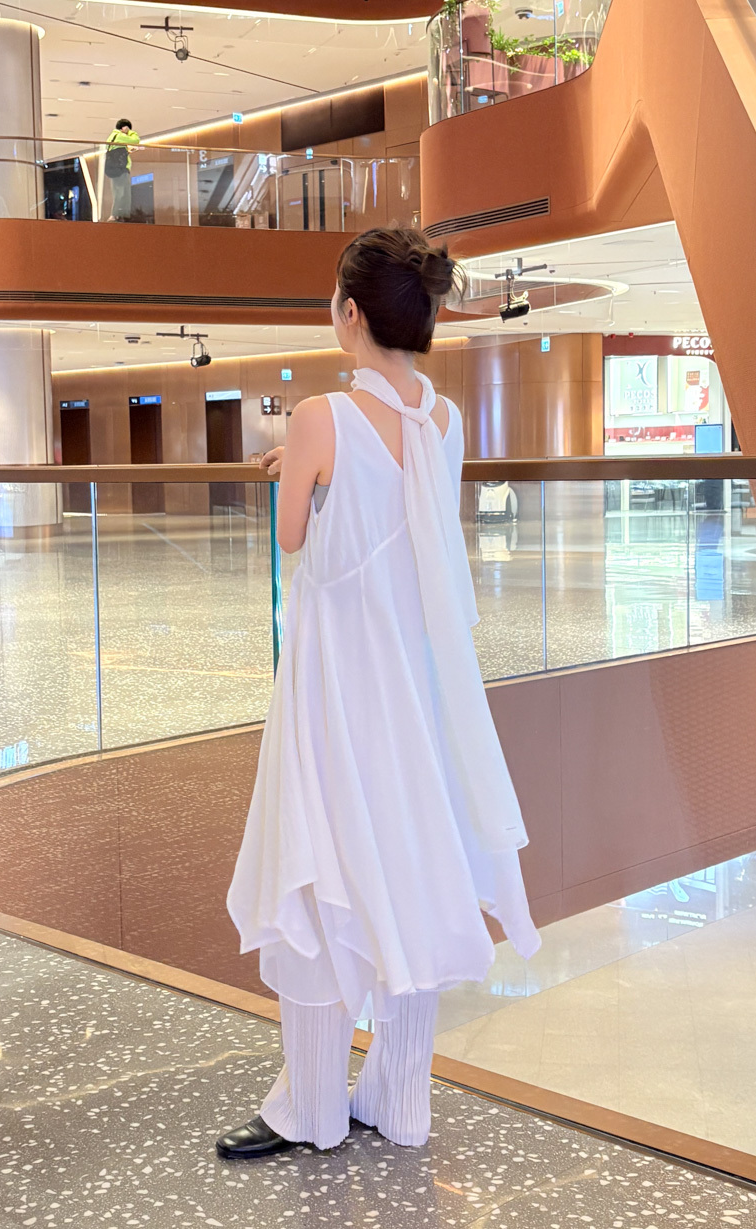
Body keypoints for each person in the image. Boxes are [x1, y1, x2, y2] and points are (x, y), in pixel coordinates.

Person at [221, 227, 540, 1160]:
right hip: (418, 680)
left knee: (319, 865)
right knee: (412, 864)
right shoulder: (445, 420)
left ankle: (314, 1107)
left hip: (337, 681)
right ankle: (399, 1101)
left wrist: (294, 468)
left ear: (351, 312)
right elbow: (413, 526)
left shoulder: (319, 415)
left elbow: (293, 536)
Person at [104, 118, 139, 222]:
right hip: (121, 169)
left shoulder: (111, 137)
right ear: (124, 128)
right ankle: (117, 215)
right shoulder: (120, 136)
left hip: (113, 169)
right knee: (123, 193)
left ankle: (117, 215)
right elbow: (136, 140)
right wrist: (130, 132)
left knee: (117, 192)